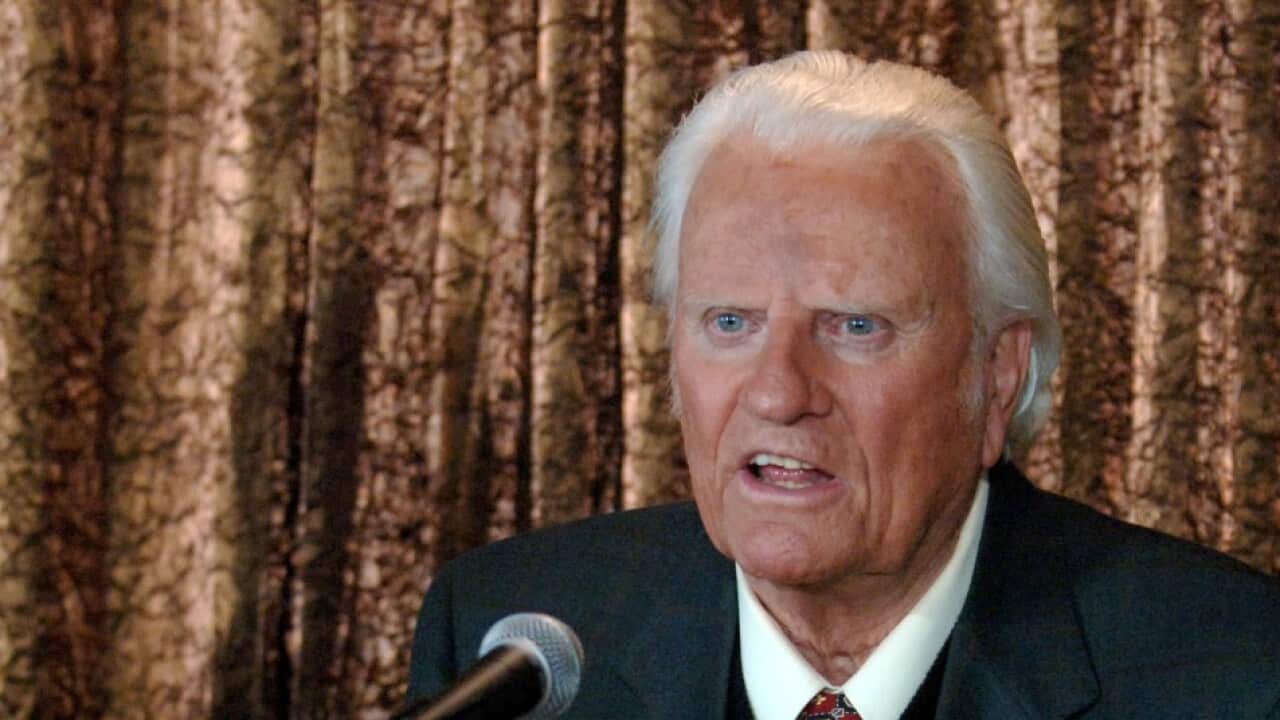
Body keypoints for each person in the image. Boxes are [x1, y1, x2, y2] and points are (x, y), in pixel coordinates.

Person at [405, 51, 1280, 719]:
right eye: (729, 323)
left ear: (997, 375)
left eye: (855, 326)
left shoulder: (1231, 669)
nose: (779, 393)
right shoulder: (509, 646)